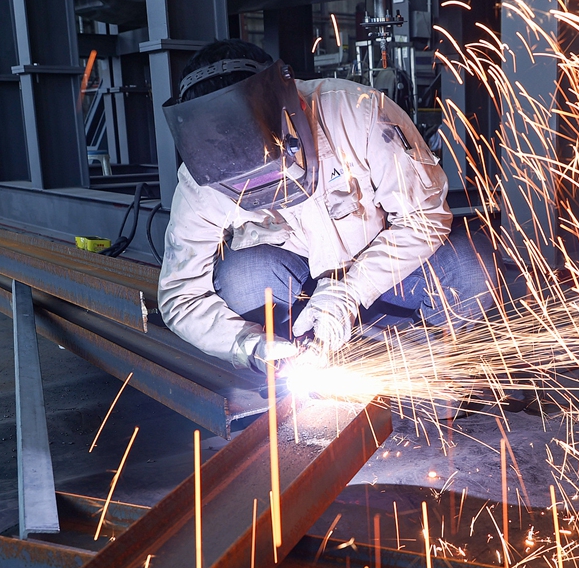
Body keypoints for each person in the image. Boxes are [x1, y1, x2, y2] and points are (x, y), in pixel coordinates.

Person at [156, 39, 497, 373]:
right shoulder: (202, 176)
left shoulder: (357, 112)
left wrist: (351, 290)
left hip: (387, 275)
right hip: (300, 294)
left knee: (469, 266)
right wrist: (249, 345)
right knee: (242, 279)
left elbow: (425, 217)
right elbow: (181, 296)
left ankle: (425, 366)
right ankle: (306, 360)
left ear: (288, 102)